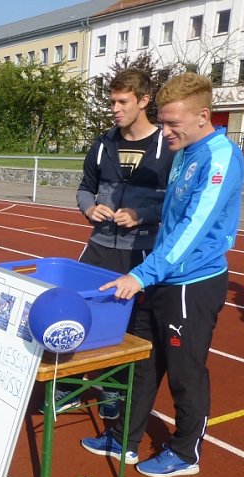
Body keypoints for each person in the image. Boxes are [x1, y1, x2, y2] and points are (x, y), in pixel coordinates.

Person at [80, 72, 244, 477]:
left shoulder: (218, 156)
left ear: (203, 116)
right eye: (164, 122)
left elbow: (194, 226)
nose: (166, 132)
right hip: (160, 276)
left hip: (192, 283)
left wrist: (141, 274)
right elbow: (170, 218)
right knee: (143, 361)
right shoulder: (186, 150)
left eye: (173, 124)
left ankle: (186, 452)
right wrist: (149, 269)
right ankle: (126, 440)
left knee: (185, 372)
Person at [56, 68, 175, 420]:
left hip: (143, 250)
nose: (115, 108)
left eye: (123, 101)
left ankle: (113, 390)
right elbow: (83, 188)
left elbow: (174, 202)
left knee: (131, 324)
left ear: (143, 100)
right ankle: (70, 385)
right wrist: (89, 208)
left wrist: (142, 214)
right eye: (112, 101)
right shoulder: (103, 143)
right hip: (101, 244)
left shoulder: (167, 148)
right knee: (80, 311)